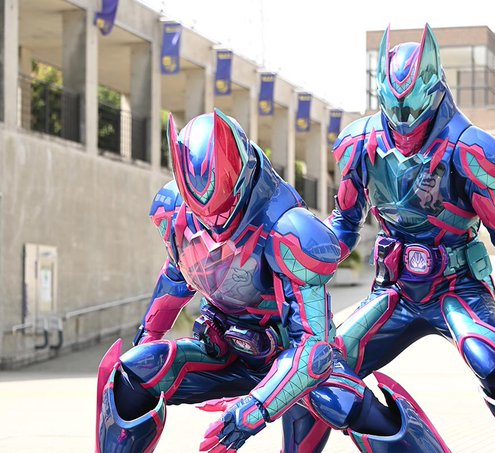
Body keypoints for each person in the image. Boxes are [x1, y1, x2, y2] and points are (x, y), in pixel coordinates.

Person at [94, 109, 449, 452]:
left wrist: (253, 411)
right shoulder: (174, 212)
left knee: (340, 400)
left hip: (292, 361)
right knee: (134, 373)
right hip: (224, 351)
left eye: (222, 210)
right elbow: (176, 277)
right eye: (202, 214)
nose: (214, 224)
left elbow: (313, 349)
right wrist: (148, 337)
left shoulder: (290, 231)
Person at [286, 25, 495, 452]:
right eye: (395, 109)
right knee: (314, 372)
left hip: (458, 287)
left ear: (435, 94)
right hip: (396, 290)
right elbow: (344, 223)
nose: (404, 122)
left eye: (413, 109)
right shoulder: (359, 145)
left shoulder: (469, 150)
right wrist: (301, 268)